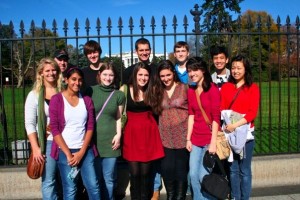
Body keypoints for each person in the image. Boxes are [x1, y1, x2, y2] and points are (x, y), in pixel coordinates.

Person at [49, 66, 100, 200]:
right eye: (73, 79)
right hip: (65, 152)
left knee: (93, 186)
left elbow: (90, 126)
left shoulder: (87, 100)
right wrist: (68, 154)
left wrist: (82, 152)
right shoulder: (57, 99)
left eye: (80, 80)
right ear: (66, 80)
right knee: (70, 188)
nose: (77, 83)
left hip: (85, 150)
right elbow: (54, 129)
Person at [122, 37, 162, 200]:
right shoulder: (126, 87)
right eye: (140, 75)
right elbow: (118, 109)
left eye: (146, 75)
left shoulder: (152, 87)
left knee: (146, 174)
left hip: (148, 132)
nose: (143, 78)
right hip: (132, 132)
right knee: (135, 173)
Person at [220, 55, 260, 200]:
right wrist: (228, 126)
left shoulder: (252, 88)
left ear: (245, 69)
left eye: (239, 68)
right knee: (233, 169)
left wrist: (235, 124)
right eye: (233, 68)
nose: (235, 71)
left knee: (244, 170)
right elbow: (222, 108)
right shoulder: (226, 87)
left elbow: (252, 113)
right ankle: (236, 197)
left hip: (245, 134)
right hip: (229, 134)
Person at [85, 62, 125, 200]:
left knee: (109, 178)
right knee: (95, 179)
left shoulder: (119, 95)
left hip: (110, 141)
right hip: (93, 141)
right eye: (105, 74)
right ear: (99, 75)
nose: (108, 78)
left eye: (111, 75)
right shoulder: (90, 91)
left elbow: (119, 117)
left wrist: (119, 135)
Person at [24, 58, 62, 200]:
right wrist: (35, 149)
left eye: (54, 70)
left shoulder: (64, 91)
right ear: (41, 73)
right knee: (49, 180)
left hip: (66, 140)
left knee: (67, 180)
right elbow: (29, 123)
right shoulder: (34, 95)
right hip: (47, 143)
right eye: (47, 70)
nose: (51, 73)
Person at [151, 60, 189, 200]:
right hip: (165, 136)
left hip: (183, 135)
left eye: (168, 75)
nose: (165, 79)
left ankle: (180, 197)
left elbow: (193, 111)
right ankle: (170, 196)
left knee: (180, 170)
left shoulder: (184, 88)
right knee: (167, 169)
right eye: (162, 76)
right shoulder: (158, 90)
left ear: (173, 73)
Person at [185, 57, 221, 199]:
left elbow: (216, 118)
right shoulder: (191, 90)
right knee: (193, 175)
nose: (191, 73)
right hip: (195, 139)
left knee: (203, 176)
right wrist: (188, 139)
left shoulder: (212, 89)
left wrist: (213, 143)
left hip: (208, 140)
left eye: (195, 70)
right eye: (189, 71)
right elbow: (191, 116)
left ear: (203, 70)